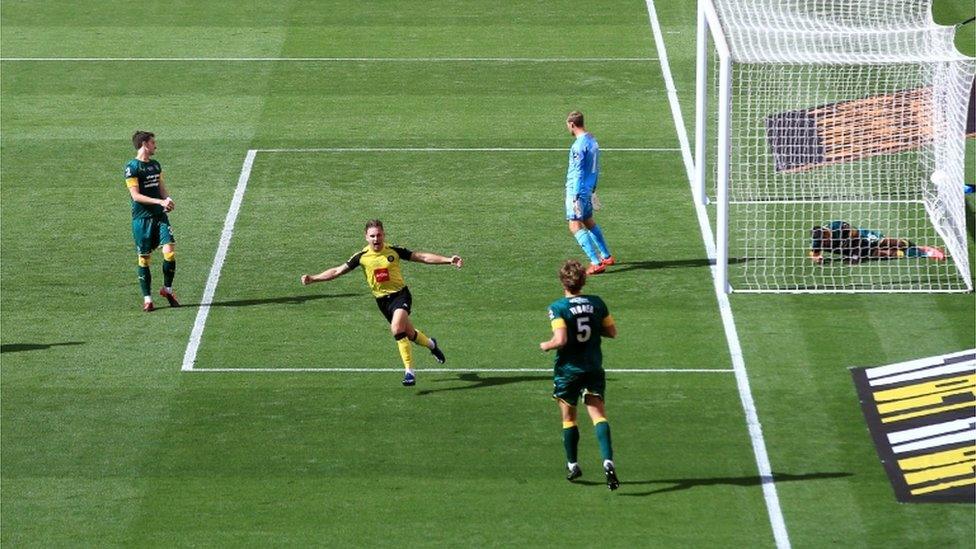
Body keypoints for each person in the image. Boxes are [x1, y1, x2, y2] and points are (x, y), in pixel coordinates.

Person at [300, 219, 462, 386]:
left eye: (379, 235)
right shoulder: (361, 257)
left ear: (384, 235)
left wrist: (448, 260)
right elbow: (337, 271)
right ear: (366, 237)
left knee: (396, 328)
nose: (376, 239)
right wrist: (313, 278)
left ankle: (409, 372)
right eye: (372, 236)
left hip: (401, 296)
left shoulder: (394, 251)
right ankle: (431, 344)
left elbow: (421, 256)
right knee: (409, 333)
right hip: (383, 303)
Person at [539, 259, 619, 490]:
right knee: (598, 416)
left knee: (569, 418)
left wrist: (547, 345)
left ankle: (573, 464)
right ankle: (607, 460)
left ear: (563, 282)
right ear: (583, 281)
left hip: (568, 371)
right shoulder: (597, 303)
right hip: (593, 367)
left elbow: (561, 340)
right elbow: (612, 332)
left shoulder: (558, 307)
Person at [125, 131, 179, 312]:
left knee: (170, 252)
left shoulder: (156, 165)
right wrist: (160, 202)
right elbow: (136, 196)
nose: (155, 146)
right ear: (144, 144)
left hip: (160, 216)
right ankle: (147, 299)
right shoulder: (132, 167)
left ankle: (167, 289)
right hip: (141, 220)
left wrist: (168, 199)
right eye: (153, 142)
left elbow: (161, 188)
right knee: (144, 259)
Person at [564, 111, 614, 275]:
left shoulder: (578, 146)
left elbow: (578, 171)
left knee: (574, 225)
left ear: (572, 124)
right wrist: (593, 187)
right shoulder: (593, 140)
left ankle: (596, 262)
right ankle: (606, 256)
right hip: (589, 187)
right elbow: (596, 166)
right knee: (588, 220)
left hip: (577, 190)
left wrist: (576, 195)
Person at [809, 221, 946, 264]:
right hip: (855, 249)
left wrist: (851, 247)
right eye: (823, 239)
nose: (826, 239)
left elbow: (854, 233)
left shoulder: (836, 226)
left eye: (825, 235)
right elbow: (814, 254)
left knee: (895, 243)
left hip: (863, 238)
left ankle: (917, 247)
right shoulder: (817, 242)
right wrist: (818, 258)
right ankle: (927, 253)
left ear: (825, 230)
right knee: (891, 254)